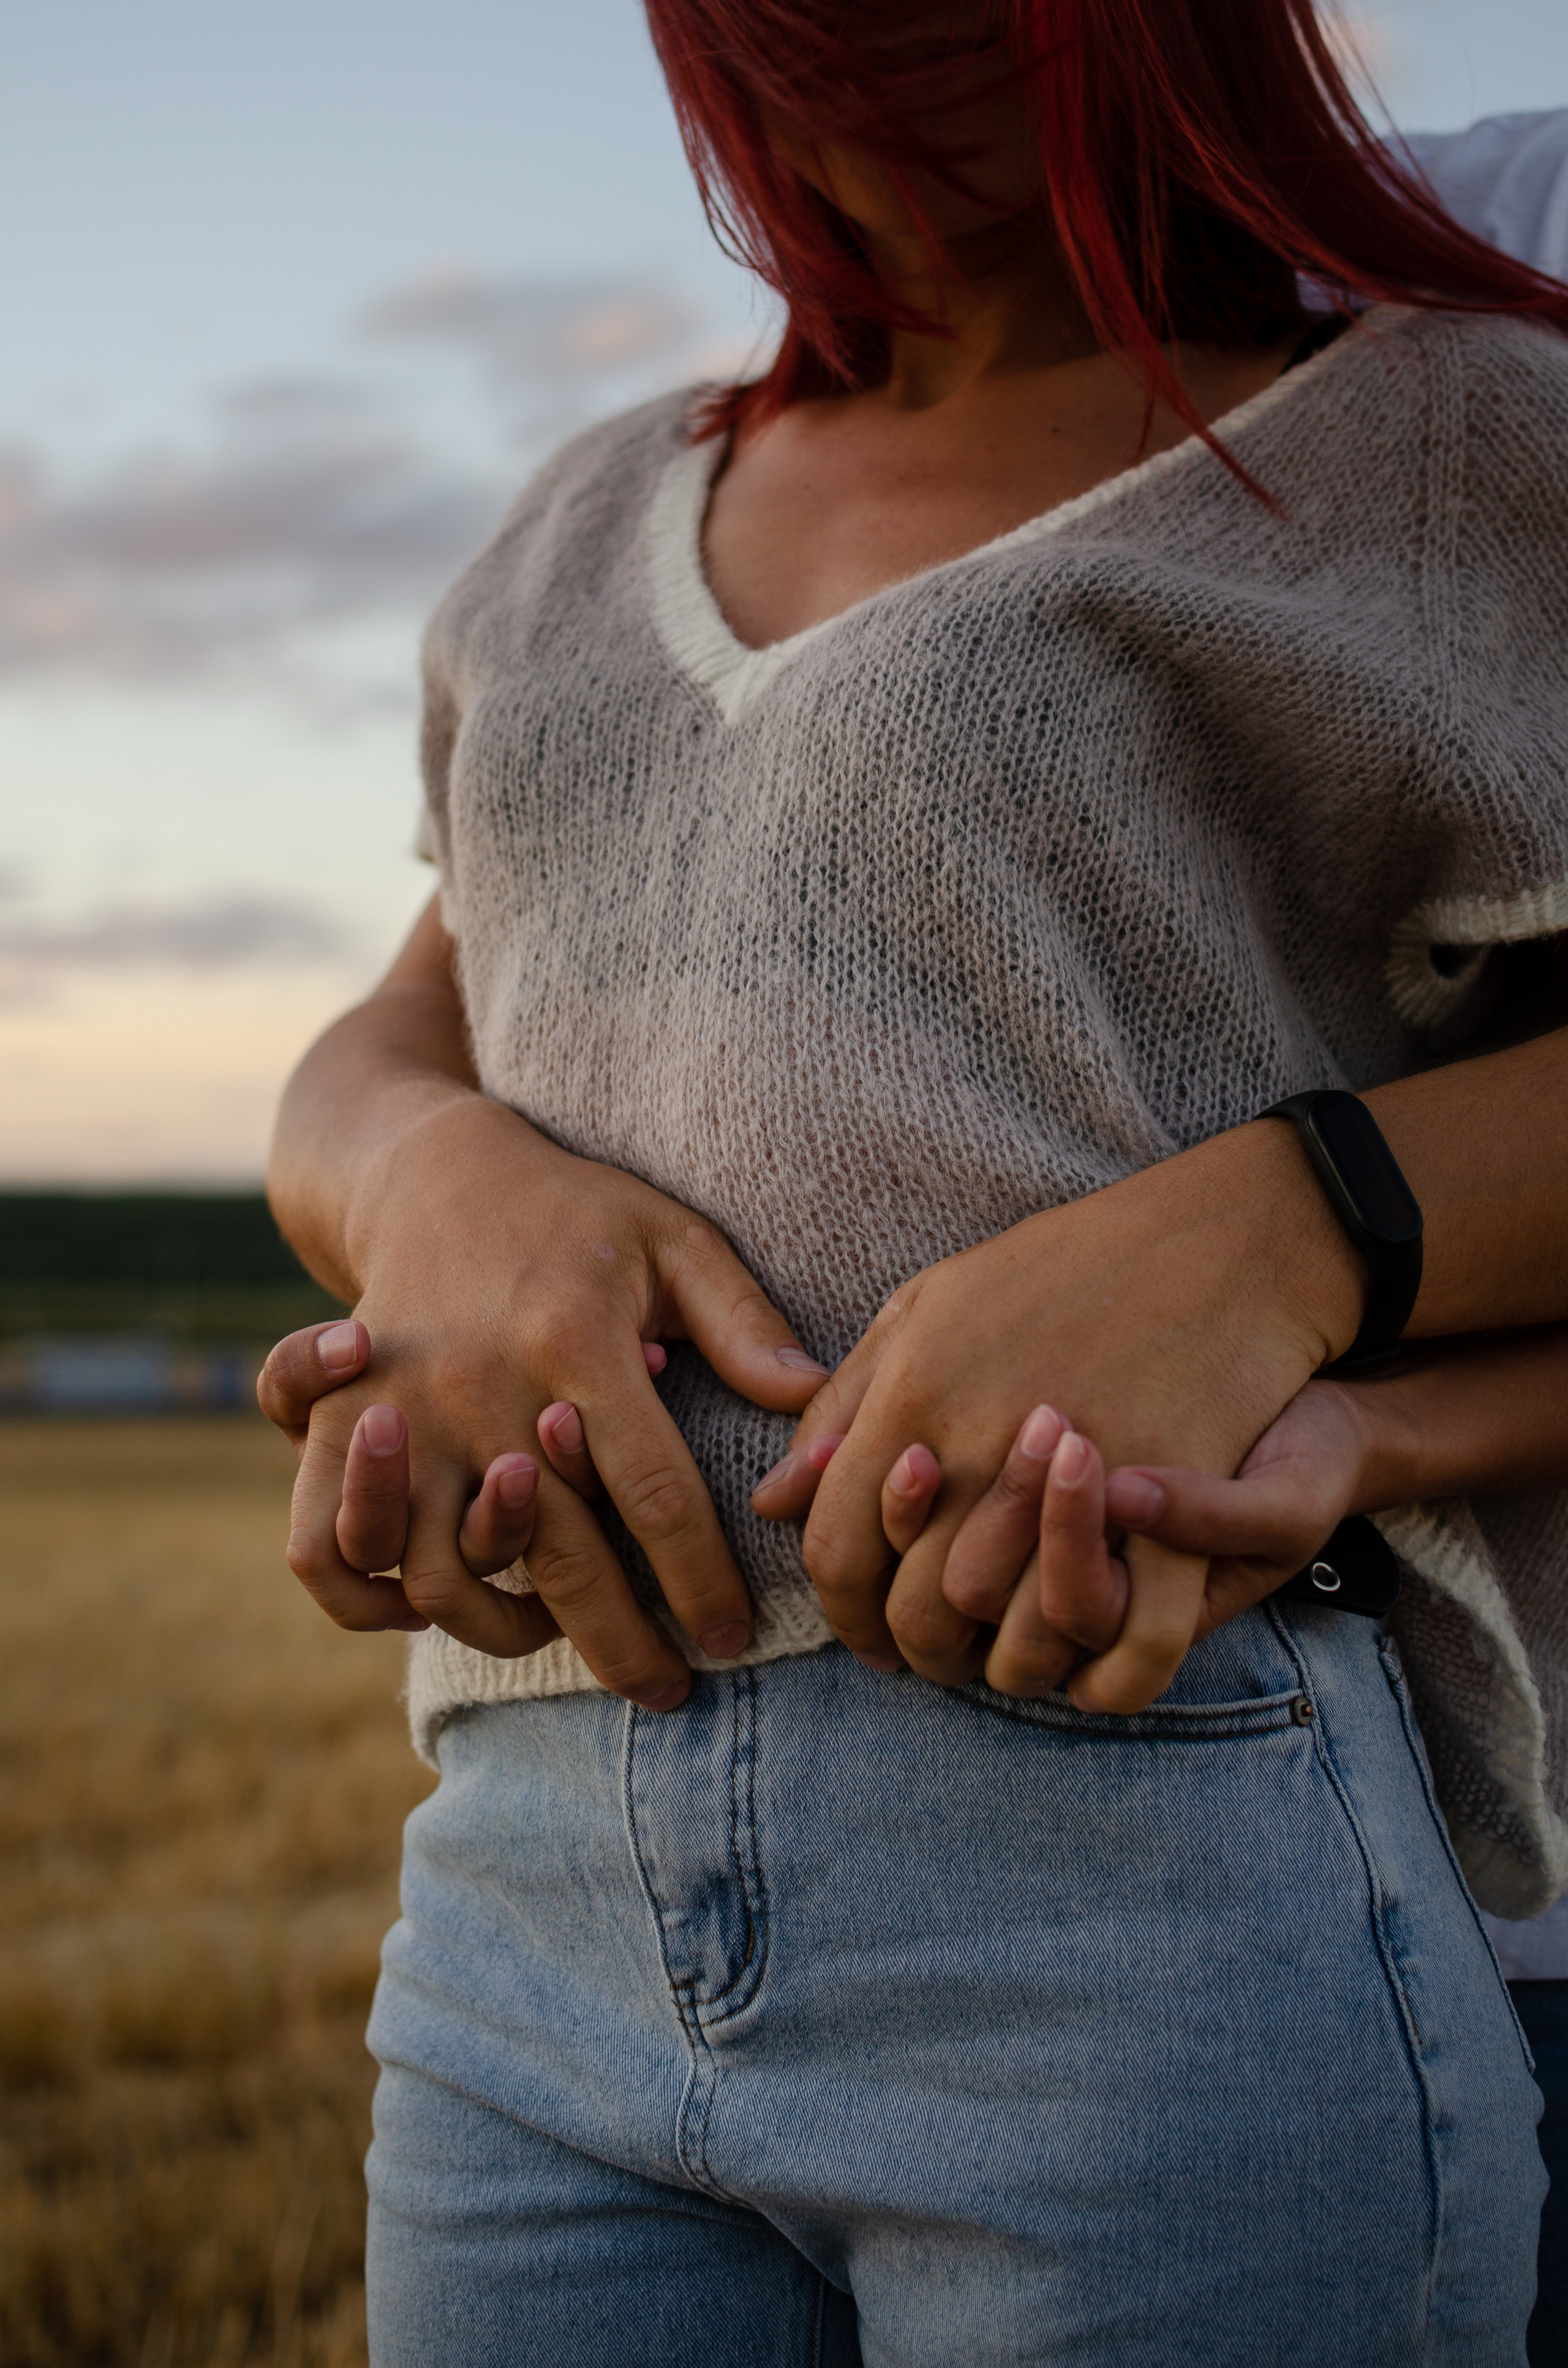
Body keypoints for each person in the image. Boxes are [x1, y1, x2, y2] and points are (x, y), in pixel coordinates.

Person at [261, 4, 1568, 2356]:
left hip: (1143, 1860)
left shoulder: (1456, 436)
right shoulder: (579, 518)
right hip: (521, 1905)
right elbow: (380, 1045)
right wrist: (430, 1175)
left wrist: (1289, 1243)